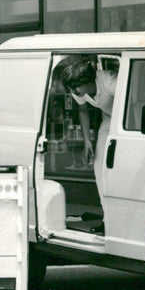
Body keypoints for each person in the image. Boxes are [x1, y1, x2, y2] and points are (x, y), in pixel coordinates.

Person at [59, 56, 117, 234]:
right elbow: (83, 111)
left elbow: (134, 102)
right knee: (100, 167)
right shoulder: (79, 91)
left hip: (127, 119)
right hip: (108, 119)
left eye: (76, 86)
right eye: (70, 87)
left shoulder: (110, 83)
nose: (73, 90)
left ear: (88, 80)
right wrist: (87, 140)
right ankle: (108, 220)